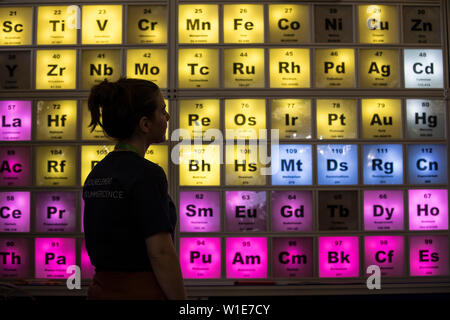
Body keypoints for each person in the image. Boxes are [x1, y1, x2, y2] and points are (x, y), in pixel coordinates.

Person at [82, 78, 187, 300]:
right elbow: (160, 252)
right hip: (140, 292)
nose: (167, 117)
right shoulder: (148, 174)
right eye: (162, 110)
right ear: (145, 124)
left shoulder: (97, 173)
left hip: (101, 291)